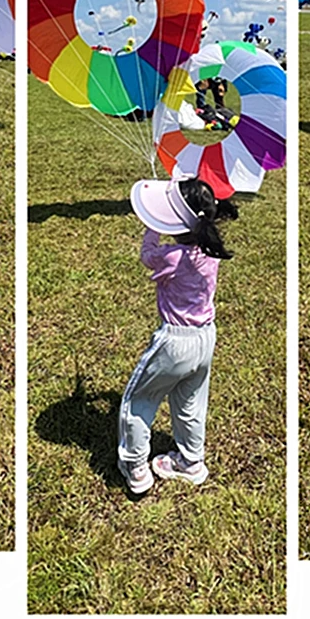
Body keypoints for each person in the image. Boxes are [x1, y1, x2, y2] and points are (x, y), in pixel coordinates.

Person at [118, 177, 238, 494]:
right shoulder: (210, 251)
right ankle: (191, 462)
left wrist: (152, 224)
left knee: (139, 400)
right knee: (191, 403)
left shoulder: (172, 257)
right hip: (205, 339)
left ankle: (137, 468)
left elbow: (147, 254)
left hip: (174, 342)